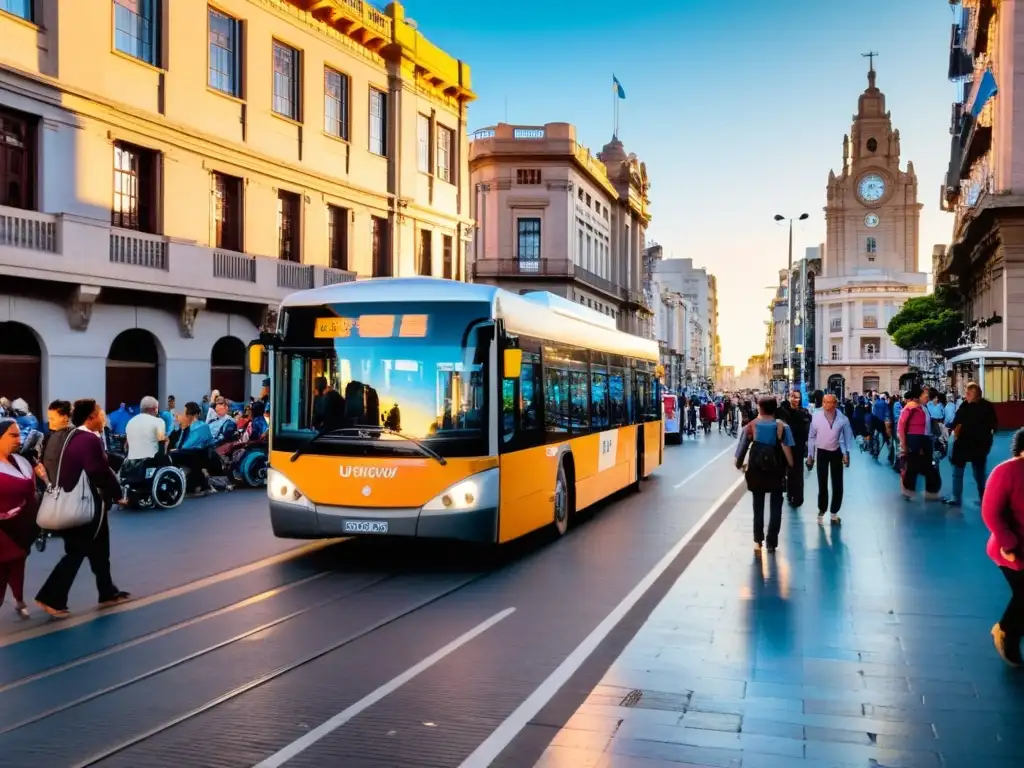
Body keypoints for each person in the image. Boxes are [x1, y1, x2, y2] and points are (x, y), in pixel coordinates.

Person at [34, 399, 130, 618]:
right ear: (91, 417)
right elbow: (98, 471)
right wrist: (118, 494)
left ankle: (107, 591)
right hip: (84, 503)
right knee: (77, 551)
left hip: (76, 499)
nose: (104, 415)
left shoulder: (69, 437)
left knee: (100, 548)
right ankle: (50, 597)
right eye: (100, 412)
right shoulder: (87, 440)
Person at [980, 428, 1024, 666]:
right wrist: (1009, 542)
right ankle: (1006, 632)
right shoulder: (1006, 471)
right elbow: (990, 513)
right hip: (1011, 549)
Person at [735, 397, 795, 554]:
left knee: (758, 504)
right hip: (777, 471)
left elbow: (741, 450)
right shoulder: (783, 427)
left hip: (756, 471)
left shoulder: (751, 426)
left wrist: (739, 464)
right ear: (774, 409)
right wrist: (790, 466)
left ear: (759, 408)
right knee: (776, 505)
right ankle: (772, 541)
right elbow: (788, 450)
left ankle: (758, 539)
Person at [0, 419, 38, 618]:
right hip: (2, 528)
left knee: (18, 563)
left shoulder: (22, 462)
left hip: (22, 526)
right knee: (5, 564)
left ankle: (19, 598)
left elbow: (32, 494)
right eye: (13, 435)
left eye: (18, 435)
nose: (18, 439)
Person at [945, 382, 998, 507]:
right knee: (977, 473)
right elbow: (994, 425)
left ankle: (956, 498)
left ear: (973, 394)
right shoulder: (986, 406)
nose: (966, 396)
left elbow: (955, 423)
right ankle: (983, 497)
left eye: (968, 393)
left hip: (967, 444)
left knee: (960, 473)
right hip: (978, 446)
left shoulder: (967, 407)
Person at [807, 393, 854, 525]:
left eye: (829, 402)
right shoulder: (816, 417)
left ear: (835, 404)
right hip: (821, 452)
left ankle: (834, 513)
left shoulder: (843, 419)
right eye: (824, 402)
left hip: (836, 453)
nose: (826, 404)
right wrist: (810, 454)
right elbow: (811, 437)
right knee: (822, 483)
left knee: (837, 484)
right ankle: (822, 510)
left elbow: (847, 438)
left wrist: (846, 453)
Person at [897, 386, 940, 501]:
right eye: (924, 395)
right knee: (913, 464)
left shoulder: (923, 407)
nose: (927, 397)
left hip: (924, 438)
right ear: (917, 397)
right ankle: (909, 489)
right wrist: (904, 443)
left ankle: (930, 491)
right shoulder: (911, 407)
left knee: (927, 465)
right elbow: (902, 424)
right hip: (914, 438)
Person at [171, 401, 215, 496]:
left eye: (186, 413)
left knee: (172, 455)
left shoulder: (201, 426)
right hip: (192, 453)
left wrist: (178, 449)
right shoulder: (188, 427)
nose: (185, 415)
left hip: (196, 453)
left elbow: (187, 445)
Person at [778, 389, 811, 508]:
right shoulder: (782, 411)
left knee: (797, 472)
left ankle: (797, 497)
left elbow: (809, 429)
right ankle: (788, 493)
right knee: (787, 471)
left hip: (799, 446)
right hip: (785, 446)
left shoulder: (804, 412)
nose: (795, 399)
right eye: (792, 396)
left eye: (797, 397)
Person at [122, 395, 168, 475]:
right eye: (157, 409)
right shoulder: (159, 422)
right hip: (150, 468)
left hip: (131, 468)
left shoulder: (130, 422)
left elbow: (126, 446)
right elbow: (161, 448)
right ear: (153, 409)